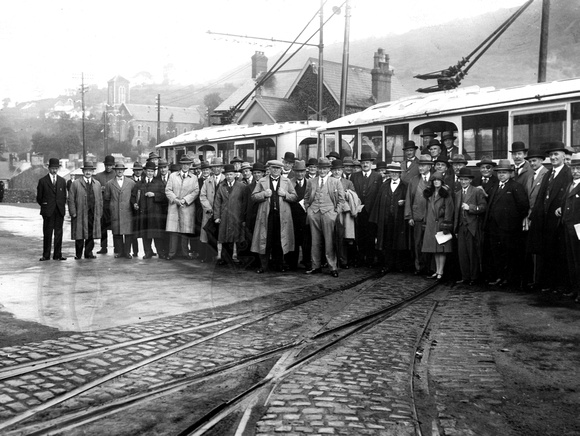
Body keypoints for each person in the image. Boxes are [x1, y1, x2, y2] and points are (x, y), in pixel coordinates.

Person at [528, 142, 573, 293]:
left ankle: (562, 286)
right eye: (551, 155)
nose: (553, 157)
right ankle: (549, 283)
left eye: (556, 154)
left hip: (559, 220)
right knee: (548, 253)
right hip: (546, 221)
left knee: (561, 254)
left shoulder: (568, 173)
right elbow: (542, 197)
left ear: (564, 156)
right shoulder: (549, 173)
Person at [484, 159, 529, 287]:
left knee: (509, 254)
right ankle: (500, 277)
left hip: (508, 227)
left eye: (504, 172)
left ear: (510, 173)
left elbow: (523, 206)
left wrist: (513, 221)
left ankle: (509, 279)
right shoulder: (495, 186)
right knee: (497, 253)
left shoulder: (515, 186)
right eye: (499, 172)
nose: (501, 175)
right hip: (494, 226)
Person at [251, 160, 297, 273]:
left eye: (278, 168)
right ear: (269, 169)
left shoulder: (287, 181)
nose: (275, 170)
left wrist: (285, 194)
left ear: (281, 169)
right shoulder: (262, 181)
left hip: (282, 216)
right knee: (265, 240)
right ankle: (264, 266)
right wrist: (263, 194)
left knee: (279, 240)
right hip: (266, 215)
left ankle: (279, 265)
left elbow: (294, 197)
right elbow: (253, 197)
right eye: (273, 168)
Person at [304, 158, 345, 277]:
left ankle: (332, 267)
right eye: (320, 168)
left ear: (329, 170)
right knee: (315, 241)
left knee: (329, 241)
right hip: (314, 213)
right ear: (317, 169)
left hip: (329, 213)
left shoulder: (335, 182)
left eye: (325, 169)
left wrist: (336, 212)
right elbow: (306, 197)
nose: (322, 171)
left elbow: (341, 199)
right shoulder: (311, 182)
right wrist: (309, 210)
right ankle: (315, 266)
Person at [370, 162, 407, 274]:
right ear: (389, 173)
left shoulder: (405, 186)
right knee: (386, 242)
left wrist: (405, 202)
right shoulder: (384, 185)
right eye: (392, 172)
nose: (394, 174)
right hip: (386, 219)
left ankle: (399, 265)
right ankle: (387, 264)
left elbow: (410, 201)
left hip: (399, 219)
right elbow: (378, 202)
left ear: (400, 174)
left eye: (396, 172)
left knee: (399, 242)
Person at [453, 168, 487, 285]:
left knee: (472, 253)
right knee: (462, 253)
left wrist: (471, 208)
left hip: (472, 226)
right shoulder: (457, 194)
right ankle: (465, 277)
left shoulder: (477, 191)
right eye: (461, 179)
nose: (463, 182)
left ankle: (474, 278)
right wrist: (456, 228)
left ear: (470, 180)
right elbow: (456, 213)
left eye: (466, 179)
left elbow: (483, 207)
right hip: (461, 227)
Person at [350, 152, 382, 267]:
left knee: (371, 235)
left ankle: (370, 259)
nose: (365, 165)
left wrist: (373, 208)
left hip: (371, 210)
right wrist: (357, 205)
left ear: (371, 164)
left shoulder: (377, 176)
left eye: (367, 162)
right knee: (359, 236)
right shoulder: (355, 176)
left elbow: (378, 194)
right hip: (358, 210)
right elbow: (352, 193)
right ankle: (360, 259)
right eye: (363, 163)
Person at [165, 156, 199, 260]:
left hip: (187, 207)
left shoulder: (194, 178)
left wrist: (185, 200)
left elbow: (196, 191)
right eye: (183, 164)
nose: (185, 166)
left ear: (190, 166)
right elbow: (168, 190)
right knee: (173, 231)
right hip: (174, 206)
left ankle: (185, 253)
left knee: (185, 231)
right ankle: (171, 253)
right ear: (181, 165)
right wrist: (176, 200)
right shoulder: (173, 176)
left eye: (188, 164)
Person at [421, 171, 454, 280]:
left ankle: (441, 271)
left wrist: (446, 223)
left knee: (441, 249)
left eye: (438, 180)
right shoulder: (429, 193)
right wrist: (425, 222)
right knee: (435, 249)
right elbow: (426, 209)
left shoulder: (445, 194)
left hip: (440, 224)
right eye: (434, 180)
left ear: (442, 181)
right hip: (431, 224)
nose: (436, 182)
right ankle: (437, 270)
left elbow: (449, 209)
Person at [405, 155, 433, 275]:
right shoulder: (414, 180)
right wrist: (409, 216)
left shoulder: (435, 179)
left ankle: (430, 268)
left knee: (430, 243)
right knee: (417, 243)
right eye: (420, 165)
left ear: (430, 166)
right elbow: (408, 199)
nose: (421, 168)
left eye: (424, 165)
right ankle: (419, 267)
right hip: (417, 216)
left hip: (432, 217)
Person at [557, 153, 580, 303]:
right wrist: (561, 208)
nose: (575, 171)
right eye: (573, 168)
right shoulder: (570, 185)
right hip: (568, 227)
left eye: (578, 168)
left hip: (578, 229)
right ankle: (574, 289)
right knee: (571, 260)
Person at [213, 164, 247, 264]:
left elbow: (244, 202)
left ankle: (238, 258)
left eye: (231, 174)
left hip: (237, 215)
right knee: (224, 237)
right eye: (227, 174)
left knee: (238, 237)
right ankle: (225, 258)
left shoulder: (241, 186)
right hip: (224, 215)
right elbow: (217, 202)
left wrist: (243, 217)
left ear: (235, 175)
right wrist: (217, 216)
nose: (229, 176)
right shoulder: (221, 186)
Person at [68, 161, 103, 259]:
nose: (88, 172)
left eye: (90, 170)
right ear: (83, 171)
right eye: (86, 170)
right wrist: (73, 212)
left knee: (91, 234)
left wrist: (99, 213)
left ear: (93, 172)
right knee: (80, 234)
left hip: (93, 213)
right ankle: (78, 254)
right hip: (80, 213)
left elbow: (100, 200)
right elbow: (70, 199)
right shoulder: (76, 184)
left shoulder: (97, 184)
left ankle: (88, 253)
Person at [133, 161, 167, 259]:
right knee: (145, 234)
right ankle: (147, 252)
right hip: (144, 213)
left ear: (154, 172)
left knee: (157, 234)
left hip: (156, 213)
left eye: (152, 171)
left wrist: (155, 195)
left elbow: (164, 197)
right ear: (145, 171)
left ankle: (160, 252)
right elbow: (133, 196)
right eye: (148, 171)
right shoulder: (139, 184)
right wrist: (134, 203)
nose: (150, 173)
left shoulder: (159, 183)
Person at [36, 157, 67, 261]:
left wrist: (60, 207)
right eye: (52, 168)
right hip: (48, 211)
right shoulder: (42, 181)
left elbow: (64, 197)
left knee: (59, 234)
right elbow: (39, 198)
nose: (54, 170)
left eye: (56, 168)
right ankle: (46, 255)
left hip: (59, 211)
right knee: (48, 233)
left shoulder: (62, 181)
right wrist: (46, 206)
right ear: (48, 168)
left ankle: (58, 255)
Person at [331, 159, 359, 269]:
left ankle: (343, 260)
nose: (337, 172)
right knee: (331, 237)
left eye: (338, 170)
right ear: (331, 171)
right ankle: (332, 260)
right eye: (334, 170)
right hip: (331, 211)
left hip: (344, 214)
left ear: (342, 170)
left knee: (343, 237)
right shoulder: (328, 181)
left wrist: (347, 193)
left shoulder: (348, 182)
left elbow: (354, 197)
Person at [104, 162, 135, 259]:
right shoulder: (109, 183)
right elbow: (107, 198)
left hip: (127, 211)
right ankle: (119, 252)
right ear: (115, 171)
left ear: (124, 171)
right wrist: (111, 209)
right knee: (117, 233)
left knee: (128, 233)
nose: (120, 171)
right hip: (115, 212)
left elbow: (134, 197)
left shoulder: (131, 183)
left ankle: (127, 252)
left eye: (122, 170)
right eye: (118, 170)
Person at [200, 157, 225, 262]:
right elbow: (202, 196)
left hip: (222, 212)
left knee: (222, 234)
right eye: (214, 167)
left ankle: (223, 257)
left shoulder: (225, 179)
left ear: (221, 168)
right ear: (211, 169)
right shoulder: (207, 181)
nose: (216, 169)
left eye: (218, 167)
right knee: (209, 234)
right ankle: (209, 256)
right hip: (209, 212)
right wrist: (208, 208)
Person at [287, 160, 310, 270]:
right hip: (292, 215)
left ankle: (307, 261)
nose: (300, 174)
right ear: (294, 172)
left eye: (302, 171)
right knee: (293, 239)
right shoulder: (289, 183)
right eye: (297, 172)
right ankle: (292, 263)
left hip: (306, 216)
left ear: (305, 172)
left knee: (307, 239)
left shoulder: (310, 183)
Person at [94, 155, 116, 254]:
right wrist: (100, 189)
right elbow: (94, 189)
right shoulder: (98, 176)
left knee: (115, 227)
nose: (108, 167)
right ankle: (103, 247)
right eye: (107, 165)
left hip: (113, 205)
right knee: (103, 228)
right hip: (102, 206)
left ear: (113, 165)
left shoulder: (117, 175)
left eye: (110, 165)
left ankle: (118, 247)